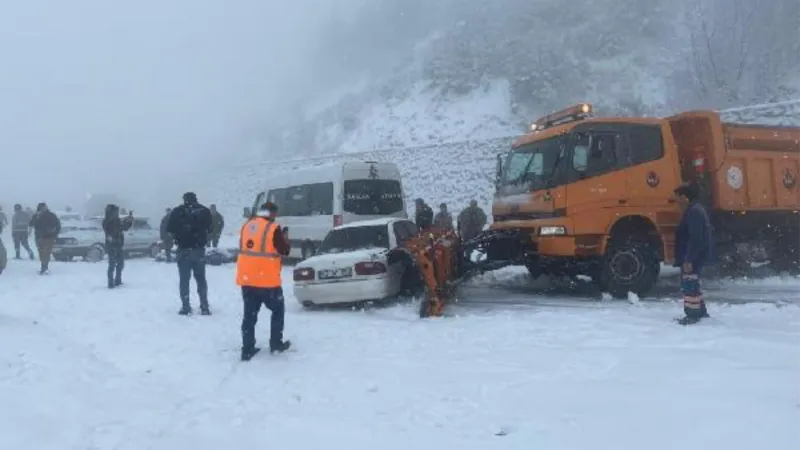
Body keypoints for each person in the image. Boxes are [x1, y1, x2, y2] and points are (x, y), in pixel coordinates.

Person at [237, 202, 292, 361]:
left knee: (249, 315)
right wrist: (285, 238)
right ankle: (275, 344)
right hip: (268, 282)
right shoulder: (273, 228)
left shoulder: (247, 226)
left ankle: (247, 349)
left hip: (247, 280)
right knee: (277, 310)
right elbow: (284, 250)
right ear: (272, 213)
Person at [673, 182, 714, 325]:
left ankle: (693, 315)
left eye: (677, 197)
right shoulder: (695, 209)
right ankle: (701, 312)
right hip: (694, 254)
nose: (676, 201)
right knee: (693, 283)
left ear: (684, 197)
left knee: (689, 284)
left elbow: (695, 237)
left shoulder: (694, 212)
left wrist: (689, 258)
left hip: (692, 255)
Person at [167, 192, 213, 315]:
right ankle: (204, 306)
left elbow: (169, 229)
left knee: (184, 280)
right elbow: (211, 229)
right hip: (198, 250)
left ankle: (186, 306)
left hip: (183, 251)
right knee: (201, 279)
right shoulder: (204, 211)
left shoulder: (177, 211)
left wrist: (179, 236)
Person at [102, 204, 133, 288]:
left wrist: (129, 221)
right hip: (111, 245)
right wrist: (123, 225)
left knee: (120, 264)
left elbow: (124, 228)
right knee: (112, 264)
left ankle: (118, 280)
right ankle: (110, 283)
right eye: (116, 211)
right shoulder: (106, 221)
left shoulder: (117, 220)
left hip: (118, 245)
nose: (117, 213)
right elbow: (114, 230)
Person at [29, 202, 61, 274]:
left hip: (48, 237)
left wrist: (55, 234)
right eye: (42, 207)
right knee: (42, 253)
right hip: (39, 237)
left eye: (44, 207)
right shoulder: (36, 215)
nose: (43, 209)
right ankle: (44, 266)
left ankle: (44, 268)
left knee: (46, 252)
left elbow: (58, 225)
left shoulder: (51, 215)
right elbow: (31, 224)